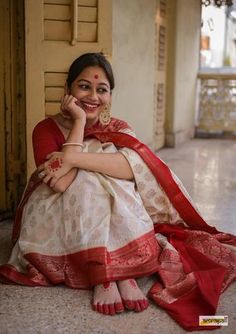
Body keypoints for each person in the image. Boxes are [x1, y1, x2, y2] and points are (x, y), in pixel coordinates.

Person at [0, 53, 235, 330]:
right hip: (55, 215)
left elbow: (131, 170)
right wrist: (78, 124)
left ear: (110, 95)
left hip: (104, 214)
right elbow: (61, 184)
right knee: (89, 181)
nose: (93, 96)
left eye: (102, 90)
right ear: (68, 90)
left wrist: (73, 159)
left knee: (114, 181)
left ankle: (124, 272)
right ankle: (106, 275)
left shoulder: (120, 127)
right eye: (84, 86)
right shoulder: (45, 129)